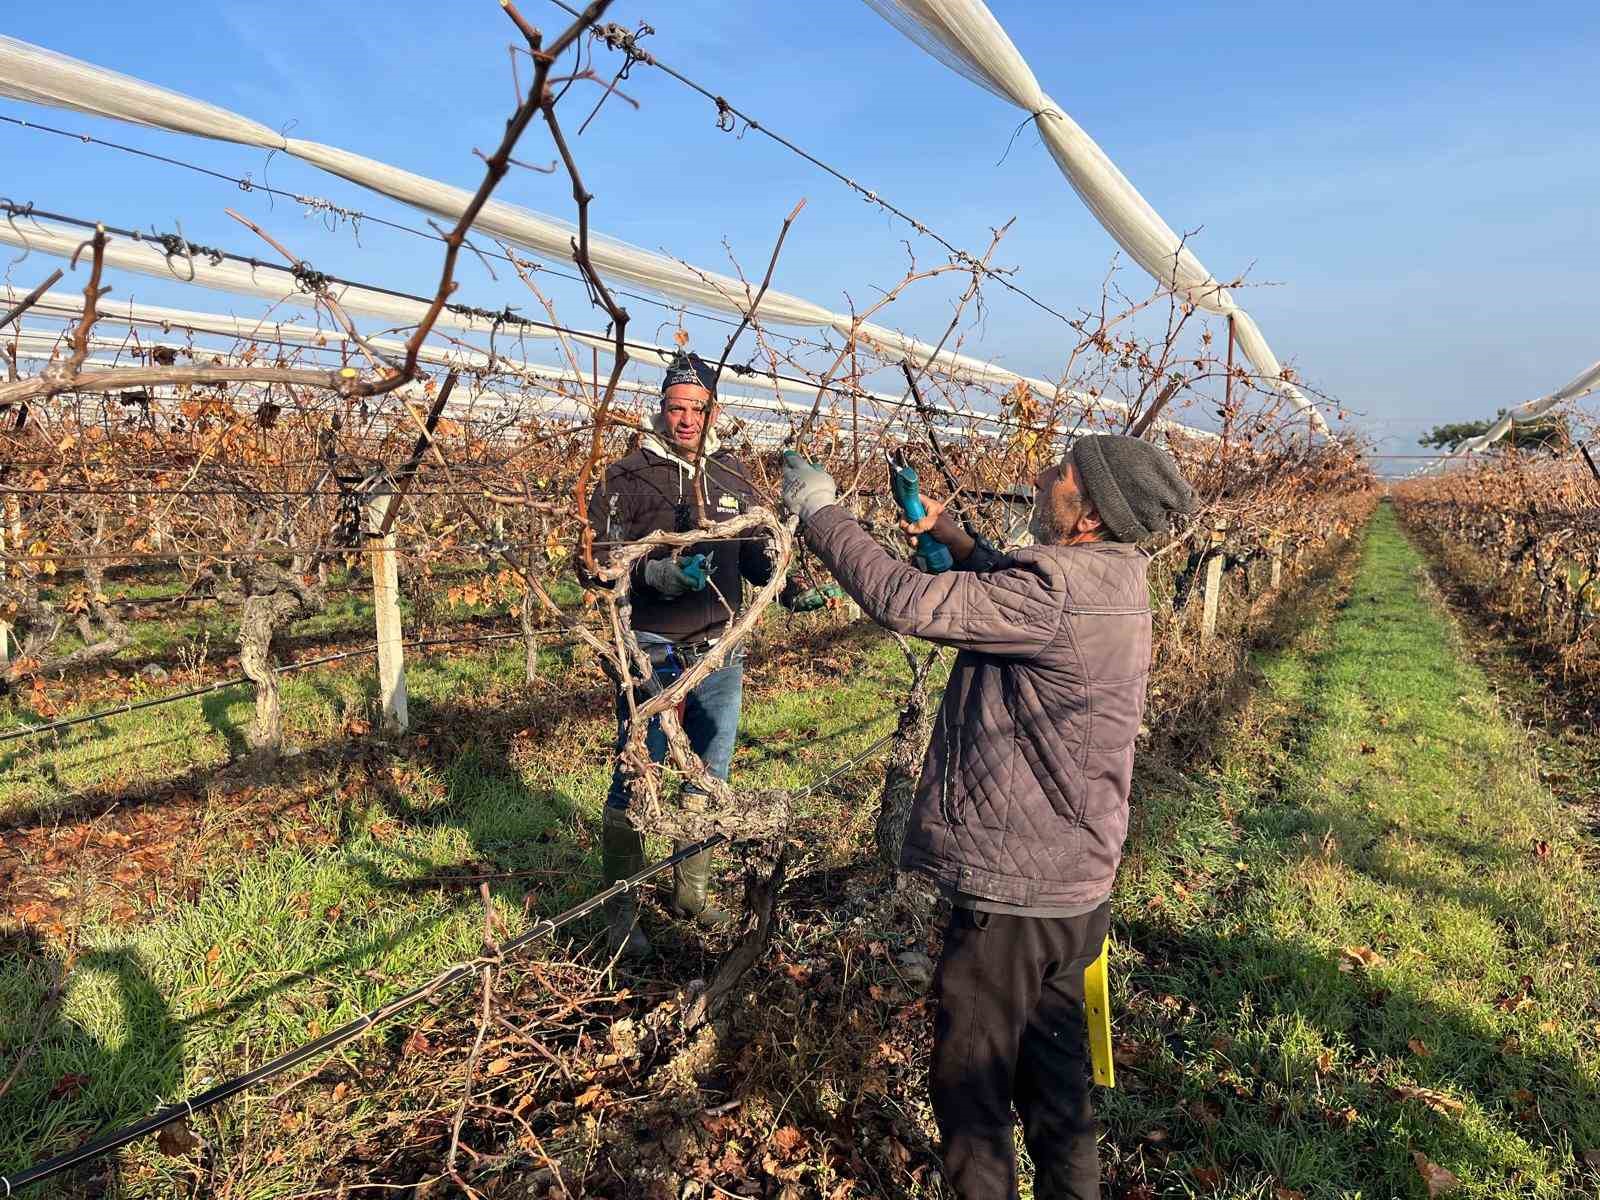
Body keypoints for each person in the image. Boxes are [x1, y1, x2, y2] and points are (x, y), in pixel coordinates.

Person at [780, 435, 1197, 1200]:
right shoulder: (1121, 576)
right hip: (1077, 886)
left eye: (1062, 473)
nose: (1042, 474)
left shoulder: (1053, 589)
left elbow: (904, 601)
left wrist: (820, 510)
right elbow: (1033, 600)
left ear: (1091, 514)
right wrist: (962, 544)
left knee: (970, 1092)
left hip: (1012, 896)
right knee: (1057, 1087)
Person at [586, 351, 777, 959]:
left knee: (709, 773)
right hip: (652, 649)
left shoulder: (732, 474)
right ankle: (620, 910)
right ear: (661, 409)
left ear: (713, 411)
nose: (687, 419)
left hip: (720, 650)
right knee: (637, 771)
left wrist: (785, 574)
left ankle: (690, 891)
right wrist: (657, 575)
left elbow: (754, 558)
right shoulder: (627, 476)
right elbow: (593, 561)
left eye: (698, 408)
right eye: (676, 407)